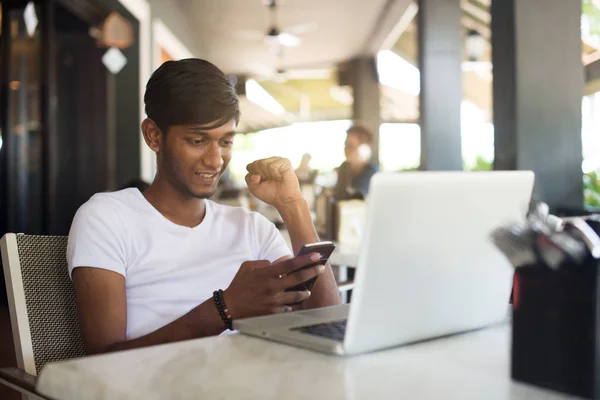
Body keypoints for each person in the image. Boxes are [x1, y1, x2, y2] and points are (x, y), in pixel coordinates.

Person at [68, 59, 341, 355]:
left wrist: (293, 206)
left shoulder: (252, 228)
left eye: (225, 142)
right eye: (198, 140)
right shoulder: (108, 218)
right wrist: (225, 308)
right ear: (154, 136)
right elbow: (102, 359)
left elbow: (326, 324)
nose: (215, 160)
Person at [333, 125, 379, 200]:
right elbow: (337, 194)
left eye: (350, 146)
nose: (345, 149)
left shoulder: (372, 172)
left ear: (364, 149)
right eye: (345, 145)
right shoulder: (344, 167)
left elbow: (358, 197)